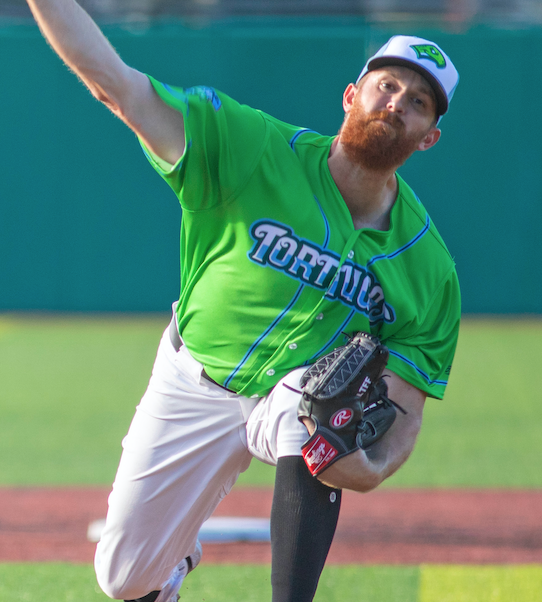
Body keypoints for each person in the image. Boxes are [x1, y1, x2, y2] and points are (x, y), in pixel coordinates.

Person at [25, 2, 461, 599]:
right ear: (350, 94)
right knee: (123, 579)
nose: (397, 104)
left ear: (430, 137)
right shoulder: (250, 148)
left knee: (308, 409)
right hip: (193, 378)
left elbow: (405, 410)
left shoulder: (429, 269)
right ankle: (171, 565)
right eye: (388, 86)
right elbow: (116, 85)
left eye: (418, 102)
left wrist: (372, 466)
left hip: (285, 396)